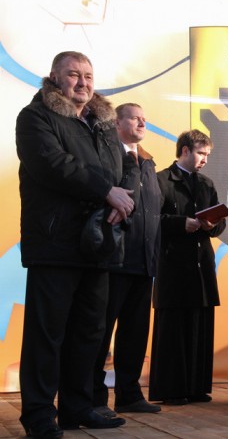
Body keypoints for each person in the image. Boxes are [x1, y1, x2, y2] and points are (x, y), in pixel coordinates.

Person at [15, 51, 132, 437]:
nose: (83, 82)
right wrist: (107, 192)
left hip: (98, 243)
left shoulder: (103, 123)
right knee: (47, 334)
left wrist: (123, 200)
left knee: (88, 332)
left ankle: (78, 407)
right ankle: (38, 414)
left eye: (88, 76)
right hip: (55, 242)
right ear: (54, 77)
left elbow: (124, 169)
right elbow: (53, 164)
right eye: (73, 75)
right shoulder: (35, 117)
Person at [93, 103, 162, 417]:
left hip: (143, 262)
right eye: (135, 118)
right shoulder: (106, 156)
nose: (142, 123)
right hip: (114, 260)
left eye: (145, 119)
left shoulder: (148, 162)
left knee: (135, 333)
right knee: (101, 332)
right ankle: (93, 397)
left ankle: (129, 395)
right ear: (117, 123)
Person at [148, 129, 226, 405]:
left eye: (208, 154)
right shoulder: (161, 180)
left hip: (201, 265)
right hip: (173, 265)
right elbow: (151, 218)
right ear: (184, 151)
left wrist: (212, 224)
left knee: (199, 326)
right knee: (173, 329)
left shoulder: (206, 183)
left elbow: (219, 224)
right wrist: (181, 223)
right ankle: (171, 390)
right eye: (201, 153)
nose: (205, 159)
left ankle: (196, 387)